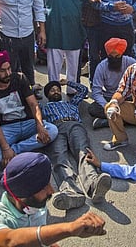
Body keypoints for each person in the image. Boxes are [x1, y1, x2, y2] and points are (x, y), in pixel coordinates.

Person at [0, 152, 107, 246]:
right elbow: (9, 240)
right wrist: (69, 229)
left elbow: (41, 237)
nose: (51, 191)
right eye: (42, 187)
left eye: (48, 183)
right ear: (22, 193)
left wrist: (51, 242)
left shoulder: (35, 205)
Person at [42, 80, 112, 210]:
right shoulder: (44, 107)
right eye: (52, 90)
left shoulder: (71, 103)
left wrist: (67, 83)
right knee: (59, 158)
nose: (56, 91)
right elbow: (32, 110)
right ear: (47, 95)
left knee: (84, 152)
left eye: (57, 89)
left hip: (74, 125)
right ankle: (70, 192)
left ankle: (93, 184)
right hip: (55, 127)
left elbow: (83, 90)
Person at [0, 51, 58, 166]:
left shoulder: (20, 78)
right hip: (7, 128)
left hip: (28, 122)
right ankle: (13, 158)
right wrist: (4, 146)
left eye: (9, 68)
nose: (8, 73)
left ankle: (15, 153)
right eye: (2, 71)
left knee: (52, 130)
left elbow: (34, 104)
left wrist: (40, 125)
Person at [88, 37, 136, 128]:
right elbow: (96, 91)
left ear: (122, 54)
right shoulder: (101, 66)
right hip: (109, 98)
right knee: (92, 109)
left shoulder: (131, 63)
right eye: (111, 57)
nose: (114, 59)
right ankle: (128, 120)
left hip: (127, 98)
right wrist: (107, 106)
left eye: (117, 56)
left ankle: (107, 121)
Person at [82, 0, 106, 82]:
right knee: (76, 55)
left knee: (95, 56)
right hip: (80, 22)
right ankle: (75, 85)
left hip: (96, 23)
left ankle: (93, 82)